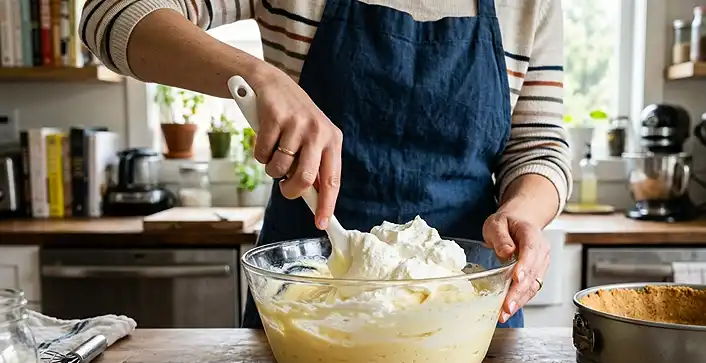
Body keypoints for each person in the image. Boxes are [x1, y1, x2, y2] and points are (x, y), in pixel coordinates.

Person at [81, 0, 572, 329]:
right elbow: (110, 16)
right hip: (305, 308)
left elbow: (539, 146)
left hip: (469, 310)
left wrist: (524, 212)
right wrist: (259, 75)